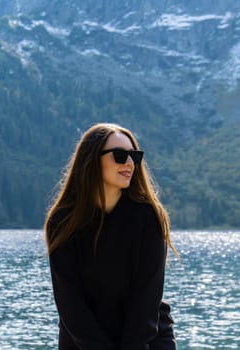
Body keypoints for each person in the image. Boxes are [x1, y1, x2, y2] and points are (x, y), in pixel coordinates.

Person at [44, 123, 177, 349]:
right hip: (82, 342)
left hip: (145, 340)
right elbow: (69, 302)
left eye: (134, 156)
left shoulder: (148, 217)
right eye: (119, 155)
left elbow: (146, 298)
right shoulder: (62, 221)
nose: (129, 163)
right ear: (92, 160)